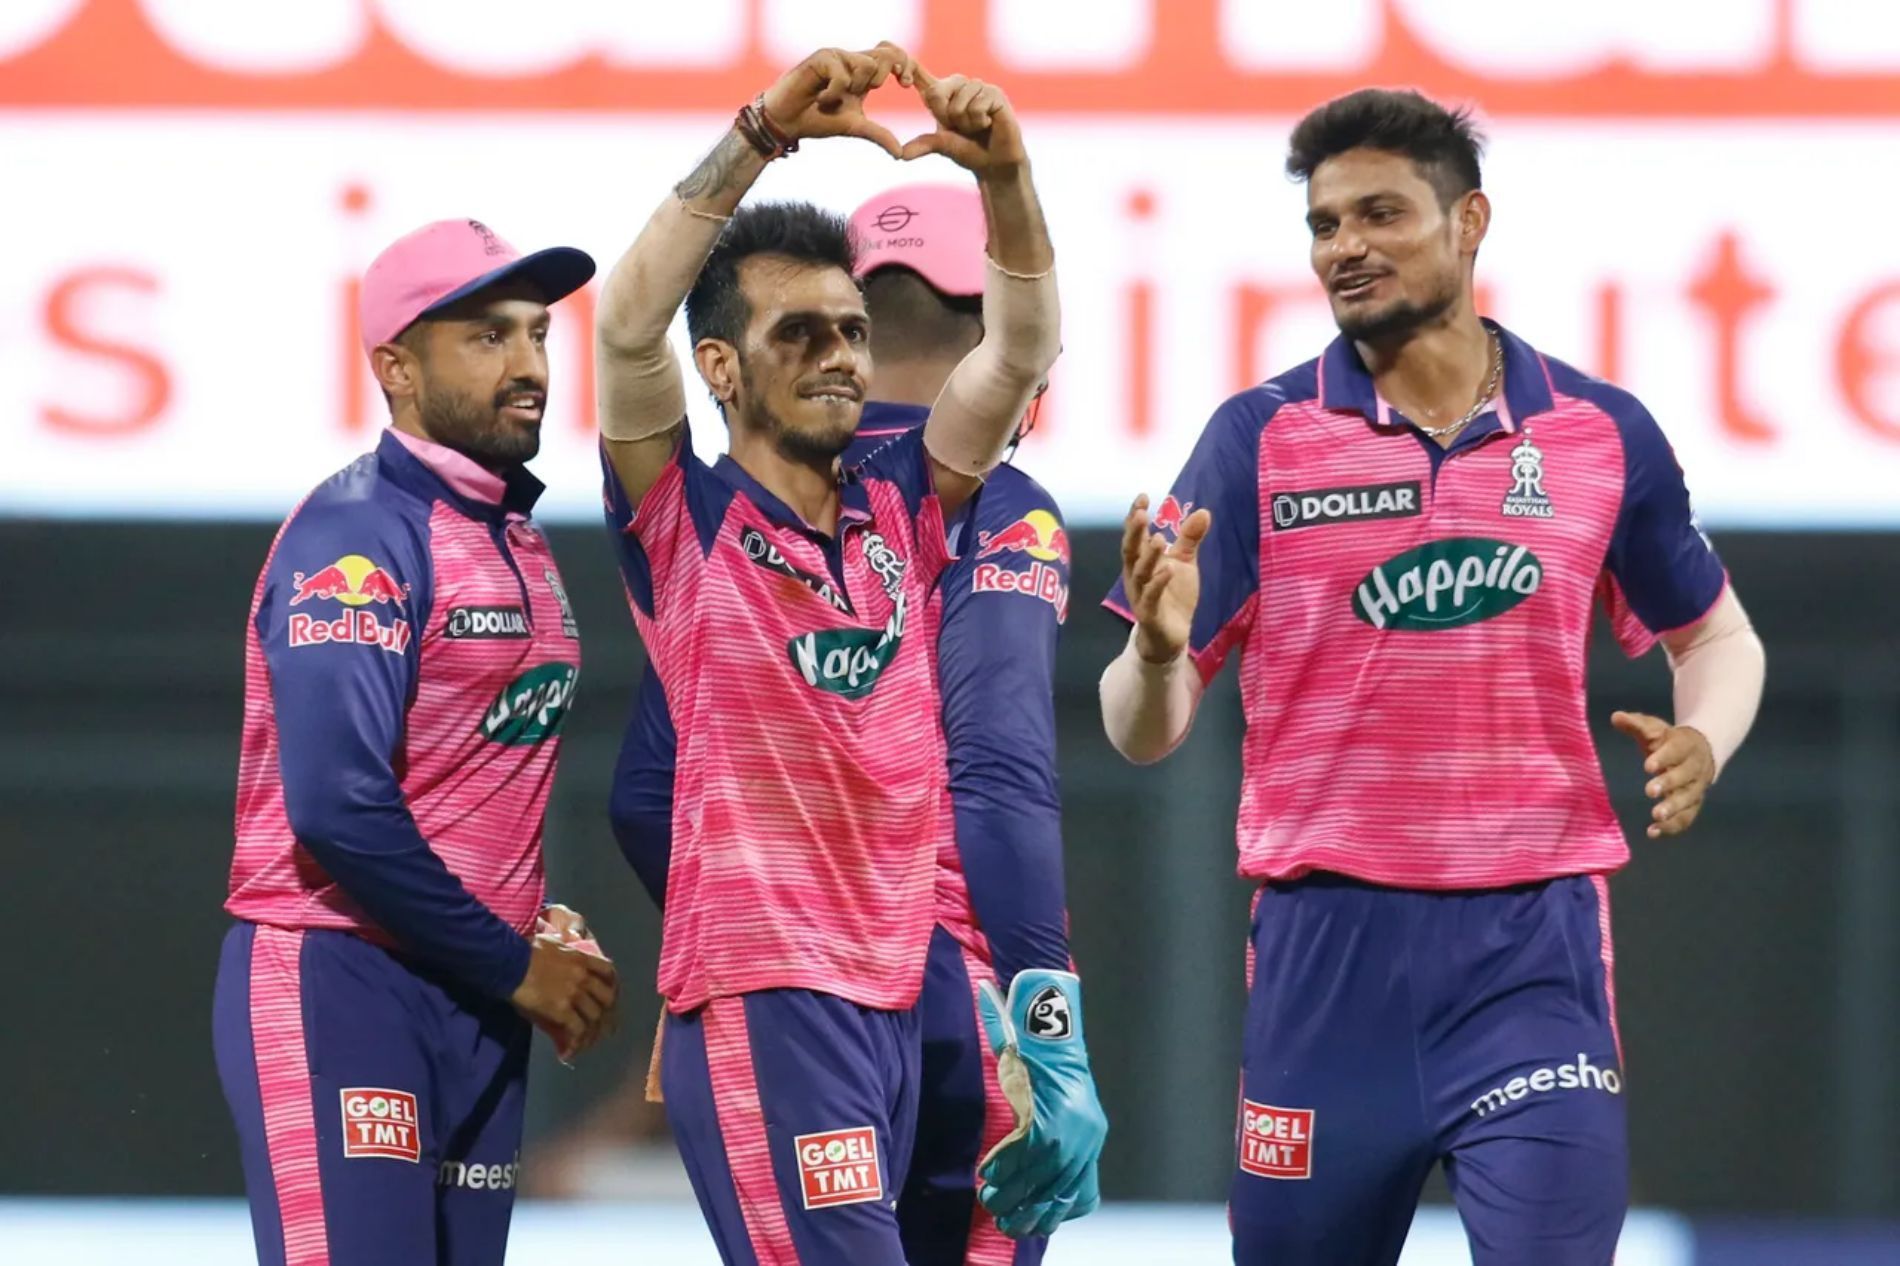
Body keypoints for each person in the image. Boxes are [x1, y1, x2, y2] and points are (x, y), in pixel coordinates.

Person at [1100, 89, 1766, 1266]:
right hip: (1324, 961)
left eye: (1379, 214)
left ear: (1469, 222)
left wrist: (1704, 735)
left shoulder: (1598, 433)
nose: (1344, 246)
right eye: (1322, 225)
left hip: (1532, 953)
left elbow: (1715, 638)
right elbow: (1140, 732)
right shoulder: (1257, 439)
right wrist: (1155, 652)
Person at [592, 43, 1085, 1264]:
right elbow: (622, 321)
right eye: (799, 333)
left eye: (853, 332)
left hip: (894, 993)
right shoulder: (684, 522)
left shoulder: (904, 510)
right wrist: (760, 131)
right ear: (720, 367)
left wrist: (1009, 176)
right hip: (768, 996)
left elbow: (1017, 354)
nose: (838, 358)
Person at [212, 218, 620, 1266]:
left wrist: (529, 921)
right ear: (396, 366)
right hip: (340, 978)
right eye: (488, 337)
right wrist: (512, 958)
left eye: (537, 334)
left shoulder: (512, 536)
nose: (530, 364)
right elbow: (337, 806)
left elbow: (460, 784)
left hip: (471, 994)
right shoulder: (355, 537)